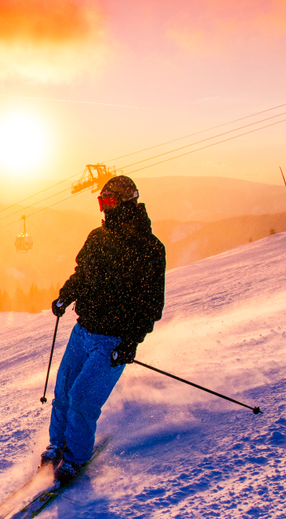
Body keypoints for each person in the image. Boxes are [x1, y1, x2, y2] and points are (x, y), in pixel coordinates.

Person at [44, 175, 166, 484]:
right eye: (102, 202)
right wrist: (65, 295)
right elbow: (82, 274)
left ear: (127, 203)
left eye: (109, 202)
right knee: (63, 392)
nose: (104, 208)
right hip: (83, 330)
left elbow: (150, 304)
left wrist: (131, 342)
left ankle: (74, 458)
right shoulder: (97, 238)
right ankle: (57, 446)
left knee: (83, 399)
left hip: (112, 340)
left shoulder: (149, 248)